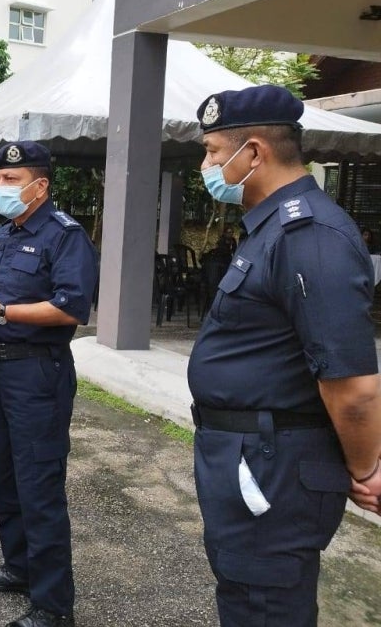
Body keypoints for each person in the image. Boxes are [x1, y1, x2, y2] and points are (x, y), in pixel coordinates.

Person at [188, 84, 381, 626]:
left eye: (213, 152)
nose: (207, 165)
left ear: (254, 152)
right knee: (247, 599)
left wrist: (366, 467)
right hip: (251, 457)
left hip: (274, 467)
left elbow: (353, 387)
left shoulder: (309, 235)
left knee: (266, 607)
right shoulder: (271, 228)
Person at [0, 141, 98, 627]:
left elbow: (72, 308)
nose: (1, 188)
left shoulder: (64, 235)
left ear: (40, 186)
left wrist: (3, 311)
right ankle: (20, 566)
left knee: (39, 484)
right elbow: (3, 293)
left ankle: (54, 607)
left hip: (38, 370)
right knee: (5, 475)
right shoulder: (8, 233)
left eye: (11, 181)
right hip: (1, 367)